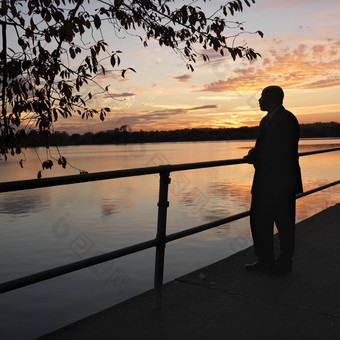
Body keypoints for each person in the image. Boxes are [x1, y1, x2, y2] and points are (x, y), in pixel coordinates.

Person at [244, 85, 303, 275]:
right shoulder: (265, 120)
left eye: (262, 97)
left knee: (284, 224)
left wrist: (257, 156)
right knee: (260, 222)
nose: (259, 100)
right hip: (263, 182)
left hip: (281, 182)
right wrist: (254, 153)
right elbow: (263, 146)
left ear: (273, 98)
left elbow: (282, 151)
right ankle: (265, 259)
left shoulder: (287, 119)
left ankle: (284, 263)